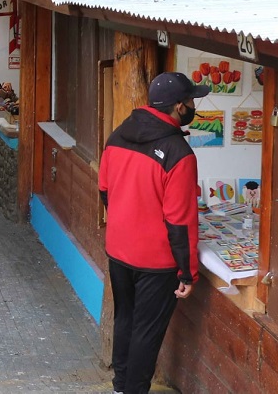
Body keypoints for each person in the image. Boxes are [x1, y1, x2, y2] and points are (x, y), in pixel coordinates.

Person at [99, 71, 206, 394]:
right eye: (190, 100)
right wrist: (187, 273)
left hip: (118, 251)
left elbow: (105, 190)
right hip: (156, 262)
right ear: (178, 106)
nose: (192, 105)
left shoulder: (117, 135)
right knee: (147, 332)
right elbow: (180, 221)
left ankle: (120, 387)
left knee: (125, 320)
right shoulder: (179, 154)